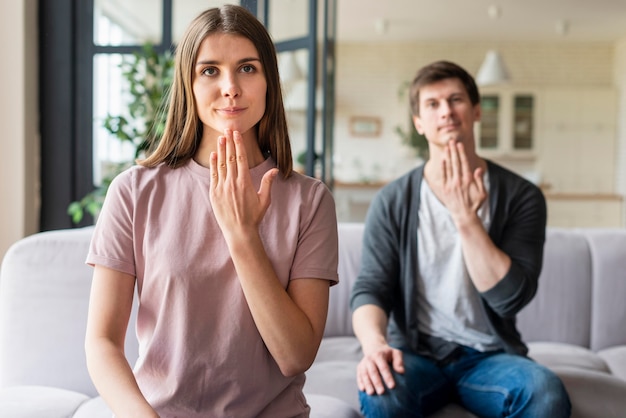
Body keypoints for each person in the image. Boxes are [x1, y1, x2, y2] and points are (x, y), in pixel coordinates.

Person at [84, 5, 338, 418]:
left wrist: (242, 235)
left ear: (269, 82)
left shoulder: (310, 201)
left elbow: (295, 356)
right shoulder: (133, 191)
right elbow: (102, 343)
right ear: (188, 83)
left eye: (248, 68)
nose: (231, 87)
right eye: (210, 71)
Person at [349, 60, 571, 418]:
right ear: (419, 123)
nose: (446, 111)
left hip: (491, 357)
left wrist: (466, 219)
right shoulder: (392, 200)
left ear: (477, 110)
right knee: (381, 394)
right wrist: (374, 346)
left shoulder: (522, 196)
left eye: (456, 100)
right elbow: (370, 288)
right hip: (416, 356)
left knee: (545, 393)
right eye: (433, 104)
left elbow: (510, 299)